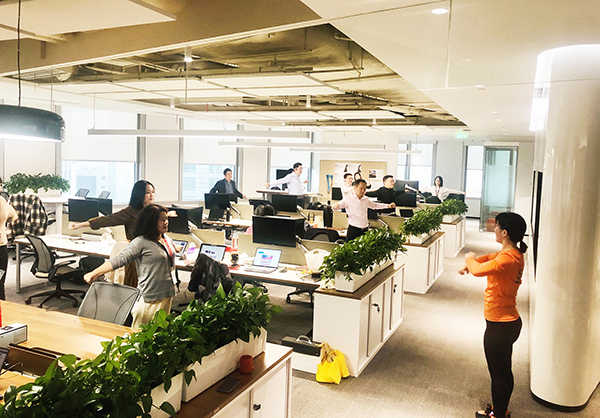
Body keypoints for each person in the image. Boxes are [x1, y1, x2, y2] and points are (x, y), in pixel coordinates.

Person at [459, 212, 527, 418]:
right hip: (505, 323)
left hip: (500, 326)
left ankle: (498, 415)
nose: (494, 229)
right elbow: (489, 258)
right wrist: (473, 262)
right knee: (503, 372)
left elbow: (479, 270)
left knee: (499, 375)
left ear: (504, 232)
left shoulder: (508, 259)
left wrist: (469, 258)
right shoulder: (512, 254)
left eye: (497, 226)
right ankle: (501, 411)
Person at [84, 204, 176, 329]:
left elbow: (167, 252)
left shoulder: (165, 239)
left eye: (166, 219)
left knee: (161, 334)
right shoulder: (141, 242)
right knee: (140, 335)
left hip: (167, 294)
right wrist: (94, 273)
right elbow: (119, 259)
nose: (166, 222)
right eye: (162, 220)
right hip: (150, 297)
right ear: (151, 222)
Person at [70, 180, 155, 287]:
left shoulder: (154, 211)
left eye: (153, 192)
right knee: (135, 286)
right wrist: (82, 224)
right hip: (136, 256)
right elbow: (108, 219)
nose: (151, 195)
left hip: (151, 254)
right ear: (139, 194)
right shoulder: (130, 212)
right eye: (147, 192)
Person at [0, 178, 17, 300]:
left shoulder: (2, 201)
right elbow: (13, 217)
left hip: (1, 248)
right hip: (1, 247)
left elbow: (13, 215)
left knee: (0, 282)